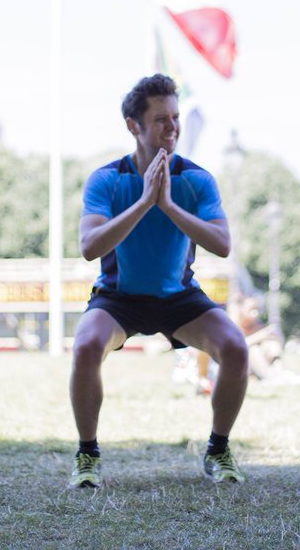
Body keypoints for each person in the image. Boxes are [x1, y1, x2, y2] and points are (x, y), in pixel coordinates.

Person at [69, 74, 249, 488]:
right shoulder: (107, 179)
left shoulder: (197, 179)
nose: (172, 128)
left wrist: (166, 204)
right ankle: (87, 454)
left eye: (175, 117)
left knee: (236, 348)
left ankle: (218, 449)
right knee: (85, 346)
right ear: (134, 126)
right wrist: (144, 201)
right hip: (118, 298)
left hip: (179, 298)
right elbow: (90, 246)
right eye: (160, 120)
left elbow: (222, 244)